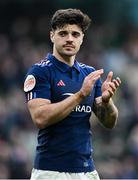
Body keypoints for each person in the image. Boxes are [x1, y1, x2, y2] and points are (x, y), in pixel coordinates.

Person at [24, 8, 121, 180]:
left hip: (87, 171)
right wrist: (80, 95)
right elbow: (40, 118)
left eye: (75, 34)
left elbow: (109, 122)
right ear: (52, 36)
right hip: (51, 171)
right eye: (63, 33)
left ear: (82, 38)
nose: (69, 39)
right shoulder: (40, 72)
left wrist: (107, 102)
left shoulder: (89, 74)